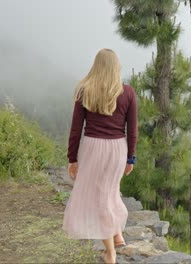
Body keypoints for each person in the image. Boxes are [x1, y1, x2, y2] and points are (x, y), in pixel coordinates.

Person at [62, 48, 138, 264]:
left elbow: (76, 129)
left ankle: (110, 252)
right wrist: (130, 157)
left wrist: (72, 158)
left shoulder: (84, 91)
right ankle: (117, 234)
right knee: (109, 190)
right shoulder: (128, 93)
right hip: (117, 149)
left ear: (96, 66)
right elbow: (132, 130)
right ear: (116, 67)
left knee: (100, 196)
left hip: (93, 148)